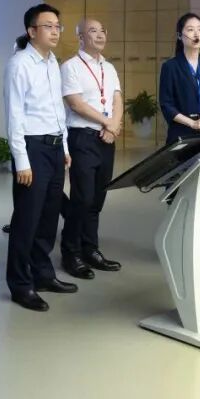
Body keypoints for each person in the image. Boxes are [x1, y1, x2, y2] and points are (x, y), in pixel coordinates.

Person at [4, 3, 76, 312]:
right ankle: (20, 285)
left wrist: (65, 148)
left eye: (58, 26)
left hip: (55, 148)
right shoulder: (19, 64)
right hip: (32, 148)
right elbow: (14, 115)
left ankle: (43, 274)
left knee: (48, 217)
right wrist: (21, 160)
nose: (55, 31)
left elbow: (58, 109)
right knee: (27, 219)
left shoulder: (52, 63)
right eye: (48, 26)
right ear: (31, 31)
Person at [59, 19, 124, 280]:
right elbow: (75, 104)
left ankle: (90, 249)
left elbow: (117, 99)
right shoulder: (71, 67)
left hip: (106, 138)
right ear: (81, 37)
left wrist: (113, 126)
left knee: (97, 199)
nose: (100, 35)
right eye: (93, 31)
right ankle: (70, 253)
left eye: (102, 30)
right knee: (82, 198)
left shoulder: (109, 67)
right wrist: (107, 122)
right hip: (83, 138)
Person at [158, 12, 200, 143]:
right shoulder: (170, 67)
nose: (196, 34)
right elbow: (167, 105)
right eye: (190, 30)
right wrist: (193, 123)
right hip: (181, 136)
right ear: (179, 35)